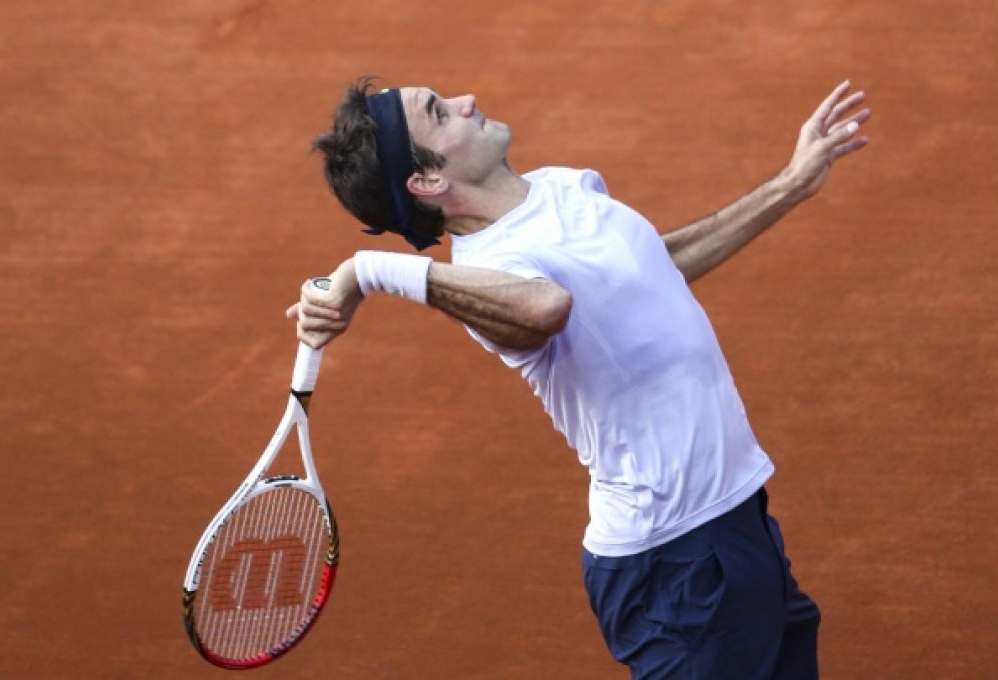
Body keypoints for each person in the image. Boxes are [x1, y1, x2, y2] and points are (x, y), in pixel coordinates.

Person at [287, 77, 869, 679]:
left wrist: (790, 184)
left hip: (735, 518)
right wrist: (369, 270)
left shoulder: (558, 186)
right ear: (428, 181)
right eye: (439, 113)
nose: (466, 102)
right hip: (675, 563)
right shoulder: (490, 271)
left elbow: (653, 269)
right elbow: (546, 306)